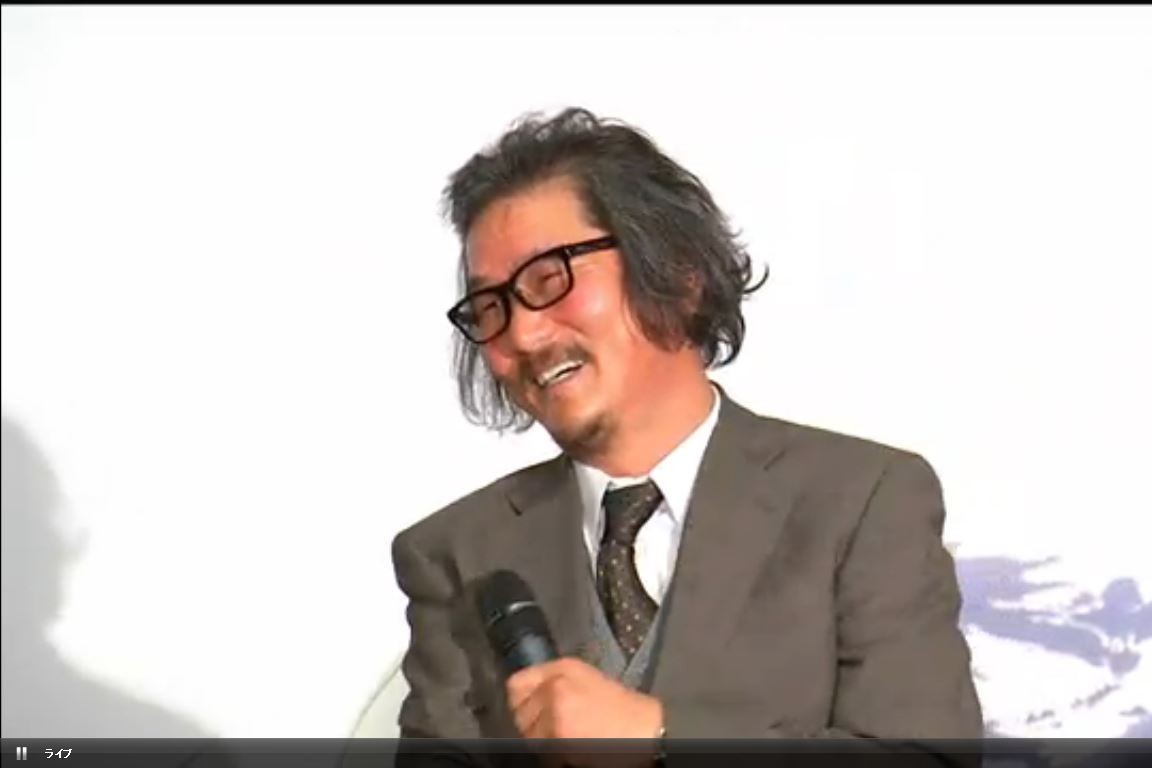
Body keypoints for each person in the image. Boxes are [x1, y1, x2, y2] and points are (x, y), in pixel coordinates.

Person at [391, 107, 983, 753]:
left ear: (676, 272)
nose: (524, 334)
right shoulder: (454, 552)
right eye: (490, 307)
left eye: (550, 279)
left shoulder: (862, 500)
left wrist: (658, 737)